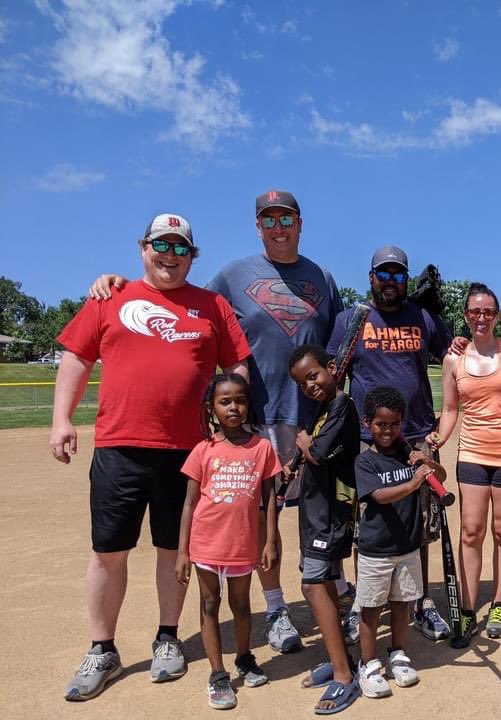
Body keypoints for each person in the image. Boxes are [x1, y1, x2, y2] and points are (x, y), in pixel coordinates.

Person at [87, 190, 346, 655]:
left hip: (311, 416)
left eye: (286, 217)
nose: (278, 226)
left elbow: (336, 341)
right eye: (268, 220)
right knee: (259, 514)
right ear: (258, 227)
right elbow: (182, 303)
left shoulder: (323, 278)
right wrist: (119, 284)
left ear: (300, 223)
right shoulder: (232, 275)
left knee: (320, 513)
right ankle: (277, 608)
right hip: (256, 416)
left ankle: (333, 594)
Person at [52, 214, 251, 701]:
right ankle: (103, 647)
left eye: (180, 248)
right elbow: (77, 357)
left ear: (192, 255)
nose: (170, 255)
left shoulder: (212, 306)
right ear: (143, 248)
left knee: (173, 549)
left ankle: (167, 638)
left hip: (186, 451)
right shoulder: (111, 297)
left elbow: (238, 365)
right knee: (108, 551)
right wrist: (62, 419)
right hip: (120, 445)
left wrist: (233, 426)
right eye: (161, 245)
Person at [327, 245, 453, 643]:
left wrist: (458, 329)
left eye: (399, 275)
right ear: (371, 277)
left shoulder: (424, 318)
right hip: (368, 439)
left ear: (406, 279)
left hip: (416, 434)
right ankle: (364, 605)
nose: (391, 281)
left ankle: (421, 603)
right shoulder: (352, 319)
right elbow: (333, 375)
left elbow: (453, 358)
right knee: (368, 526)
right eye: (384, 274)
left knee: (422, 525)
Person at [432, 283, 501, 639]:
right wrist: (435, 440)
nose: (481, 318)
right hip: (472, 451)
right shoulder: (453, 359)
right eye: (475, 312)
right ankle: (468, 606)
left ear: (497, 315)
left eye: (488, 312)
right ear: (465, 316)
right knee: (471, 531)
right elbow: (448, 410)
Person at [175, 374, 280, 710]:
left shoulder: (261, 447)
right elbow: (190, 503)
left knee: (241, 604)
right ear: (212, 408)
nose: (234, 407)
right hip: (206, 542)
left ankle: (245, 657)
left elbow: (270, 496)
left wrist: (271, 539)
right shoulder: (203, 450)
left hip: (242, 542)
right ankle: (218, 673)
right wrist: (182, 552)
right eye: (225, 401)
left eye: (240, 399)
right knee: (209, 604)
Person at [353, 387, 447, 698]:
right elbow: (379, 496)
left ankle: (398, 652)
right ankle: (367, 663)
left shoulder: (409, 455)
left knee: (401, 604)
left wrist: (427, 464)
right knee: (371, 608)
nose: (387, 431)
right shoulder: (365, 462)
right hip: (376, 551)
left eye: (394, 424)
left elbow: (441, 477)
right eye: (381, 424)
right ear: (368, 423)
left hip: (407, 547)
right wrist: (414, 482)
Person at [288, 345, 362, 714]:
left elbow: (316, 452)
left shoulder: (343, 406)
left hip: (331, 514)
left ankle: (344, 677)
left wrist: (303, 441)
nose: (310, 385)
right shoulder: (324, 409)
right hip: (315, 512)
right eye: (303, 383)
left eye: (314, 375)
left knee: (312, 584)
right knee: (326, 582)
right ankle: (339, 661)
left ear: (332, 369)